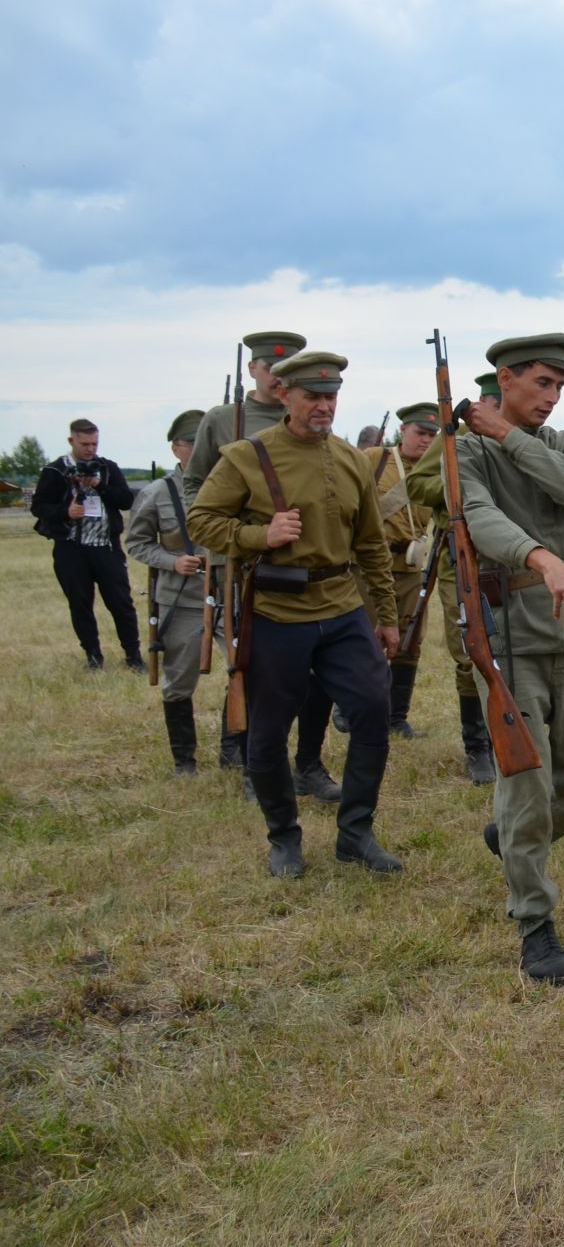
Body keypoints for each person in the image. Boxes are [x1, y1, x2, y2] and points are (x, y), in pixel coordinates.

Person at [187, 350, 404, 879]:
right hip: (277, 612)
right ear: (285, 395)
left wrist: (386, 613)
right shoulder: (246, 456)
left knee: (374, 708)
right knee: (266, 734)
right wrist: (259, 535)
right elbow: (201, 521)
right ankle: (284, 836)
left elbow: (372, 544)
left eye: (331, 397)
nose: (324, 406)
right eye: (313, 396)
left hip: (343, 606)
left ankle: (356, 833)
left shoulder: (353, 459)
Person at [456, 333, 564, 984]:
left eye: (558, 386)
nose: (550, 397)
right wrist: (544, 558)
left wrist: (512, 437)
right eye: (540, 383)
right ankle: (535, 921)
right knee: (527, 781)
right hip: (509, 635)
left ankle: (516, 841)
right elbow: (479, 516)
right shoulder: (464, 451)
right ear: (505, 379)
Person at [185, 331, 343, 803]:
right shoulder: (221, 420)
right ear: (253, 370)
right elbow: (195, 490)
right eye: (268, 367)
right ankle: (255, 764)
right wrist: (234, 536)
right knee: (253, 666)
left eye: (286, 368)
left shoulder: (315, 419)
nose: (276, 376)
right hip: (244, 564)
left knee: (320, 670)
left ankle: (309, 763)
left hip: (311, 570)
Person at [404, 373, 505, 784]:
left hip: (509, 562)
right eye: (495, 405)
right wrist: (458, 489)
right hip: (460, 560)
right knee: (469, 650)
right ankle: (476, 747)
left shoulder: (519, 437)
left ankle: (505, 736)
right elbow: (417, 484)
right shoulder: (454, 439)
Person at [338, 404, 437, 739]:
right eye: (420, 433)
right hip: (366, 567)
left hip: (410, 568)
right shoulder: (375, 459)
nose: (426, 440)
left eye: (432, 435)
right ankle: (349, 709)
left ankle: (396, 718)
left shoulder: (434, 469)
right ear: (404, 430)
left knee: (410, 642)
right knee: (361, 638)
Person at [124, 409, 209, 772]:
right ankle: (184, 761)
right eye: (190, 443)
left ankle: (235, 754)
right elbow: (137, 543)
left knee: (247, 674)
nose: (197, 449)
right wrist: (171, 561)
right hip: (182, 601)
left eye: (203, 442)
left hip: (229, 599)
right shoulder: (158, 493)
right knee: (178, 683)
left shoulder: (232, 486)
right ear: (176, 448)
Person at [32, 418, 144, 670]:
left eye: (94, 443)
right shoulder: (54, 471)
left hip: (106, 547)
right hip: (71, 548)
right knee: (80, 603)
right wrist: (65, 512)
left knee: (121, 603)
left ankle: (133, 656)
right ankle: (93, 656)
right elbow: (39, 507)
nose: (90, 449)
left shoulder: (107, 468)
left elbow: (126, 500)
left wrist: (99, 485)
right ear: (72, 441)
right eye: (84, 444)